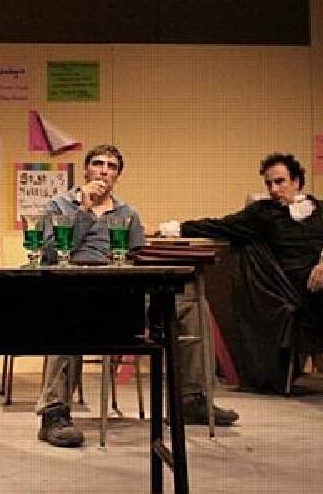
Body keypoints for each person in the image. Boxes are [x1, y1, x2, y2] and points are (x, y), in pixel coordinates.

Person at [35, 144, 238, 449]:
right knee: (65, 309)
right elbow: (50, 253)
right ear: (86, 169)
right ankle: (54, 412)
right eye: (98, 164)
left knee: (191, 302)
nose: (104, 171)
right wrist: (84, 211)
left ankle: (191, 400)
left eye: (112, 166)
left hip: (123, 291)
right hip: (75, 288)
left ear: (117, 175)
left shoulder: (127, 214)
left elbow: (138, 257)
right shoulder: (59, 206)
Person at [181, 153, 323, 420]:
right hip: (302, 294)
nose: (274, 189)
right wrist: (172, 228)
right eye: (269, 184)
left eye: (280, 182)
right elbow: (219, 226)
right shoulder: (263, 213)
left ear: (296, 181)